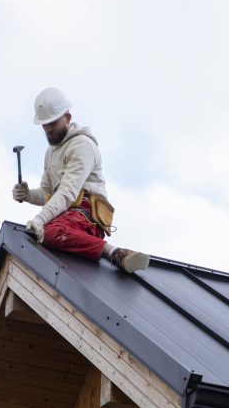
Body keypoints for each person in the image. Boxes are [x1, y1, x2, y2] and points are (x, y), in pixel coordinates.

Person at [12, 87, 150, 273]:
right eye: (45, 125)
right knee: (39, 234)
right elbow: (48, 194)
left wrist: (41, 219)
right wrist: (28, 195)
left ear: (67, 118)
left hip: (86, 213)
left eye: (53, 123)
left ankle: (116, 253)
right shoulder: (51, 153)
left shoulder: (82, 146)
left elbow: (67, 192)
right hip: (65, 214)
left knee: (49, 232)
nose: (48, 129)